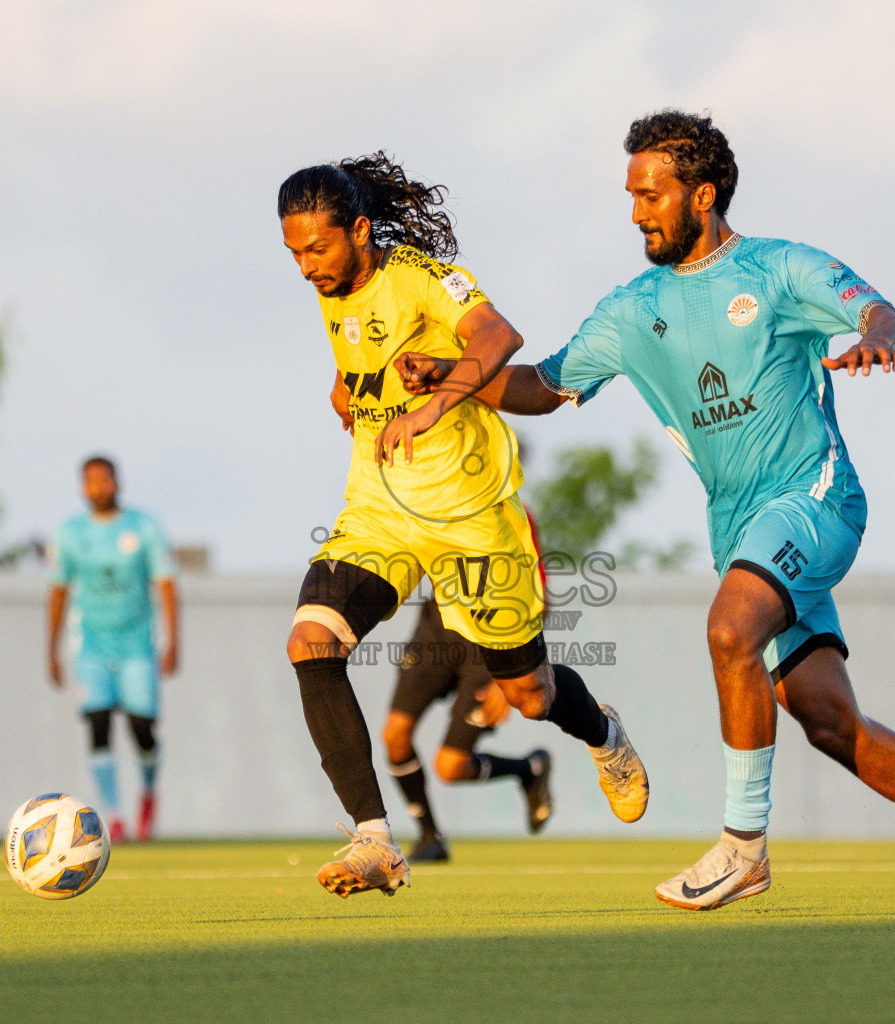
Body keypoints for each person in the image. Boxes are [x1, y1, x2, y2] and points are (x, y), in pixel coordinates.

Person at [397, 110, 895, 914]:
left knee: (729, 630)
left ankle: (743, 848)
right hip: (742, 534)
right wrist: (452, 376)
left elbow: (882, 313)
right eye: (631, 195)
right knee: (829, 723)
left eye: (650, 195)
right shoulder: (630, 309)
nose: (636, 211)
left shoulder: (780, 269)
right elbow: (542, 386)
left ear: (701, 195)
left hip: (815, 498)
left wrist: (880, 337)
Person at [278, 153, 648, 899]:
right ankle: (375, 841)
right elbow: (366, 348)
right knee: (312, 641)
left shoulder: (420, 276)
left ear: (359, 230)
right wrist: (348, 387)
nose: (306, 266)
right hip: (381, 509)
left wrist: (435, 404)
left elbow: (498, 336)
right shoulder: (333, 289)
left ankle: (604, 734)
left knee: (530, 695)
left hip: (470, 517)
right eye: (294, 253)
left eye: (316, 248)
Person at [47, 456, 179, 843]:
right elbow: (58, 591)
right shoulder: (71, 533)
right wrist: (51, 649)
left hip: (138, 646)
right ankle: (115, 814)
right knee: (98, 724)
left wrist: (173, 641)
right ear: (82, 487)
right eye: (90, 482)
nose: (98, 488)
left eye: (104, 480)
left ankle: (148, 792)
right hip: (91, 646)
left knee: (142, 729)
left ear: (117, 483)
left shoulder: (143, 527)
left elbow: (166, 584)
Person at [383, 594, 552, 861]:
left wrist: (514, 671)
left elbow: (539, 599)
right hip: (436, 630)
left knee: (450, 768)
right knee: (395, 735)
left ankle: (529, 769)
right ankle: (430, 837)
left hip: (488, 643)